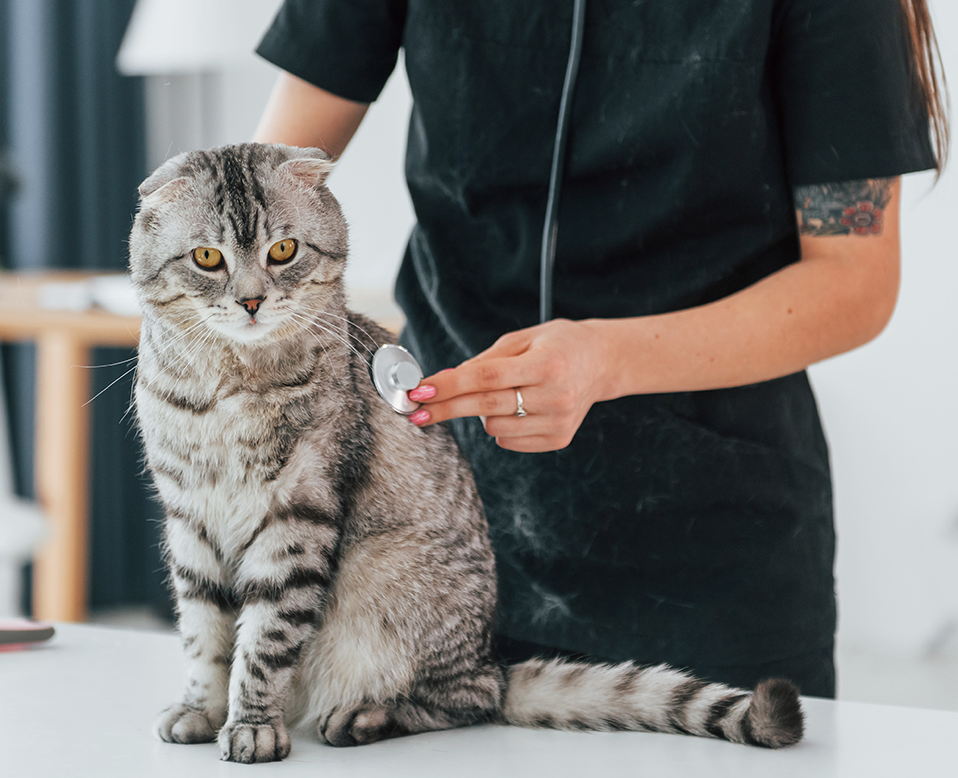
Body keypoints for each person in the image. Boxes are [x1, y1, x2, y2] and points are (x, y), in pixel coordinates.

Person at [253, 0, 948, 698]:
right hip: (433, 537)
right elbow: (259, 194)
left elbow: (854, 281)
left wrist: (607, 359)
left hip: (713, 551)